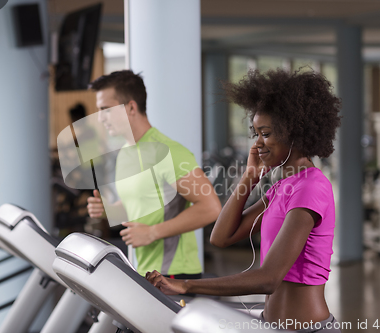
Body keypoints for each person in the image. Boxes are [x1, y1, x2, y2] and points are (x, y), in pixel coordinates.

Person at [146, 68, 342, 332]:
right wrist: (249, 176)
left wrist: (187, 285)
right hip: (271, 325)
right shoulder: (283, 187)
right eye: (256, 134)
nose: (258, 144)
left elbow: (269, 279)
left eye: (266, 133)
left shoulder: (310, 187)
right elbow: (221, 237)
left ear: (294, 132)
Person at [86, 70, 222, 278]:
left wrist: (152, 233)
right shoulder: (125, 151)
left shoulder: (168, 151)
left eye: (106, 110)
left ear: (131, 107)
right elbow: (143, 203)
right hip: (144, 270)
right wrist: (110, 210)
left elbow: (211, 207)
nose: (101, 118)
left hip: (174, 273)